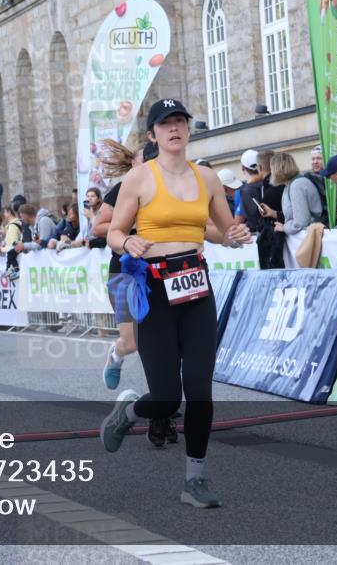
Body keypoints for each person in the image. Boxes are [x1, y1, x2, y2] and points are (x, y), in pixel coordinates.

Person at [103, 99, 251, 509]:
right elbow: (113, 232)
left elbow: (223, 229)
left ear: (188, 130)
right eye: (165, 123)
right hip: (154, 290)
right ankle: (129, 413)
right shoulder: (138, 179)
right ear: (153, 135)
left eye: (180, 122)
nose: (174, 128)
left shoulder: (206, 178)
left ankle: (195, 479)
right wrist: (127, 240)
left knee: (200, 391)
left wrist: (236, 236)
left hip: (196, 287)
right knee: (167, 398)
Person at [93, 138, 180, 447]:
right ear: (134, 163)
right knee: (132, 342)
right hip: (127, 272)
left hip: (164, 274)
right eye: (147, 158)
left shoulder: (171, 186)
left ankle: (161, 415)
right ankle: (115, 354)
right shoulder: (123, 190)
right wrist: (128, 231)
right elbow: (99, 226)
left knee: (164, 349)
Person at [261, 152, 324, 235]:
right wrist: (272, 213)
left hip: (312, 237)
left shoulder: (296, 185)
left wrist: (284, 228)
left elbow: (301, 223)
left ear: (278, 170)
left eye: (272, 169)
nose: (271, 173)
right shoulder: (290, 184)